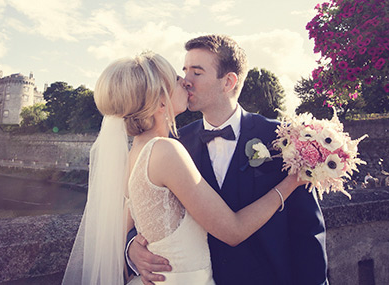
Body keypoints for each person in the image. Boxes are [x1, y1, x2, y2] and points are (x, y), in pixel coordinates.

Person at [62, 51, 305, 285]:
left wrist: (130, 246)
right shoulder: (166, 151)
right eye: (178, 79)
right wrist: (292, 181)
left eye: (193, 73)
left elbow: (118, 227)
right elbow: (234, 231)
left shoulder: (134, 153)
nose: (185, 83)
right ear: (159, 101)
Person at [128, 35, 328, 285]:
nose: (186, 82)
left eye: (197, 72)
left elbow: (307, 230)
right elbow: (145, 209)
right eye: (185, 71)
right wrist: (132, 250)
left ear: (228, 82)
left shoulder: (282, 139)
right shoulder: (173, 144)